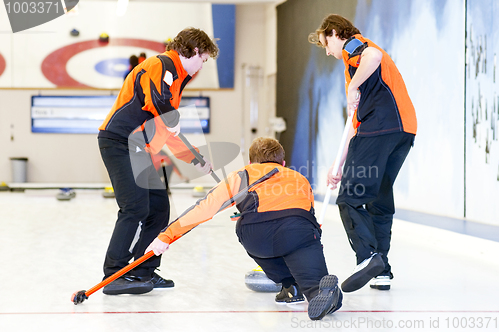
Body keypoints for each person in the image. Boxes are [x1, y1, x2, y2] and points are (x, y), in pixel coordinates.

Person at [146, 137, 343, 321]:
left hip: (257, 235)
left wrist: (166, 236)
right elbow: (308, 215)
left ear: (251, 163)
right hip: (298, 232)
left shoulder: (242, 175)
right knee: (309, 259)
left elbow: (204, 208)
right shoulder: (299, 178)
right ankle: (320, 292)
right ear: (283, 164)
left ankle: (290, 286)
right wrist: (313, 241)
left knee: (249, 227)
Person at [97, 27, 219, 295]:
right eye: (204, 59)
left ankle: (143, 270)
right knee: (135, 208)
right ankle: (114, 274)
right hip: (120, 142)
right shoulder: (159, 64)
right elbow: (157, 102)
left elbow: (166, 129)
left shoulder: (175, 81)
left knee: (159, 208)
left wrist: (195, 159)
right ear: (195, 50)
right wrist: (171, 116)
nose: (202, 65)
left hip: (139, 148)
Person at [308, 14, 417, 293]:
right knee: (379, 201)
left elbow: (374, 55)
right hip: (402, 131)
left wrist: (353, 86)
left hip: (380, 128)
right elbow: (354, 130)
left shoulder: (354, 47)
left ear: (334, 33)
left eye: (325, 44)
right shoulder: (359, 74)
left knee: (350, 198)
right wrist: (338, 164)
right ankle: (382, 271)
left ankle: (368, 257)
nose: (328, 51)